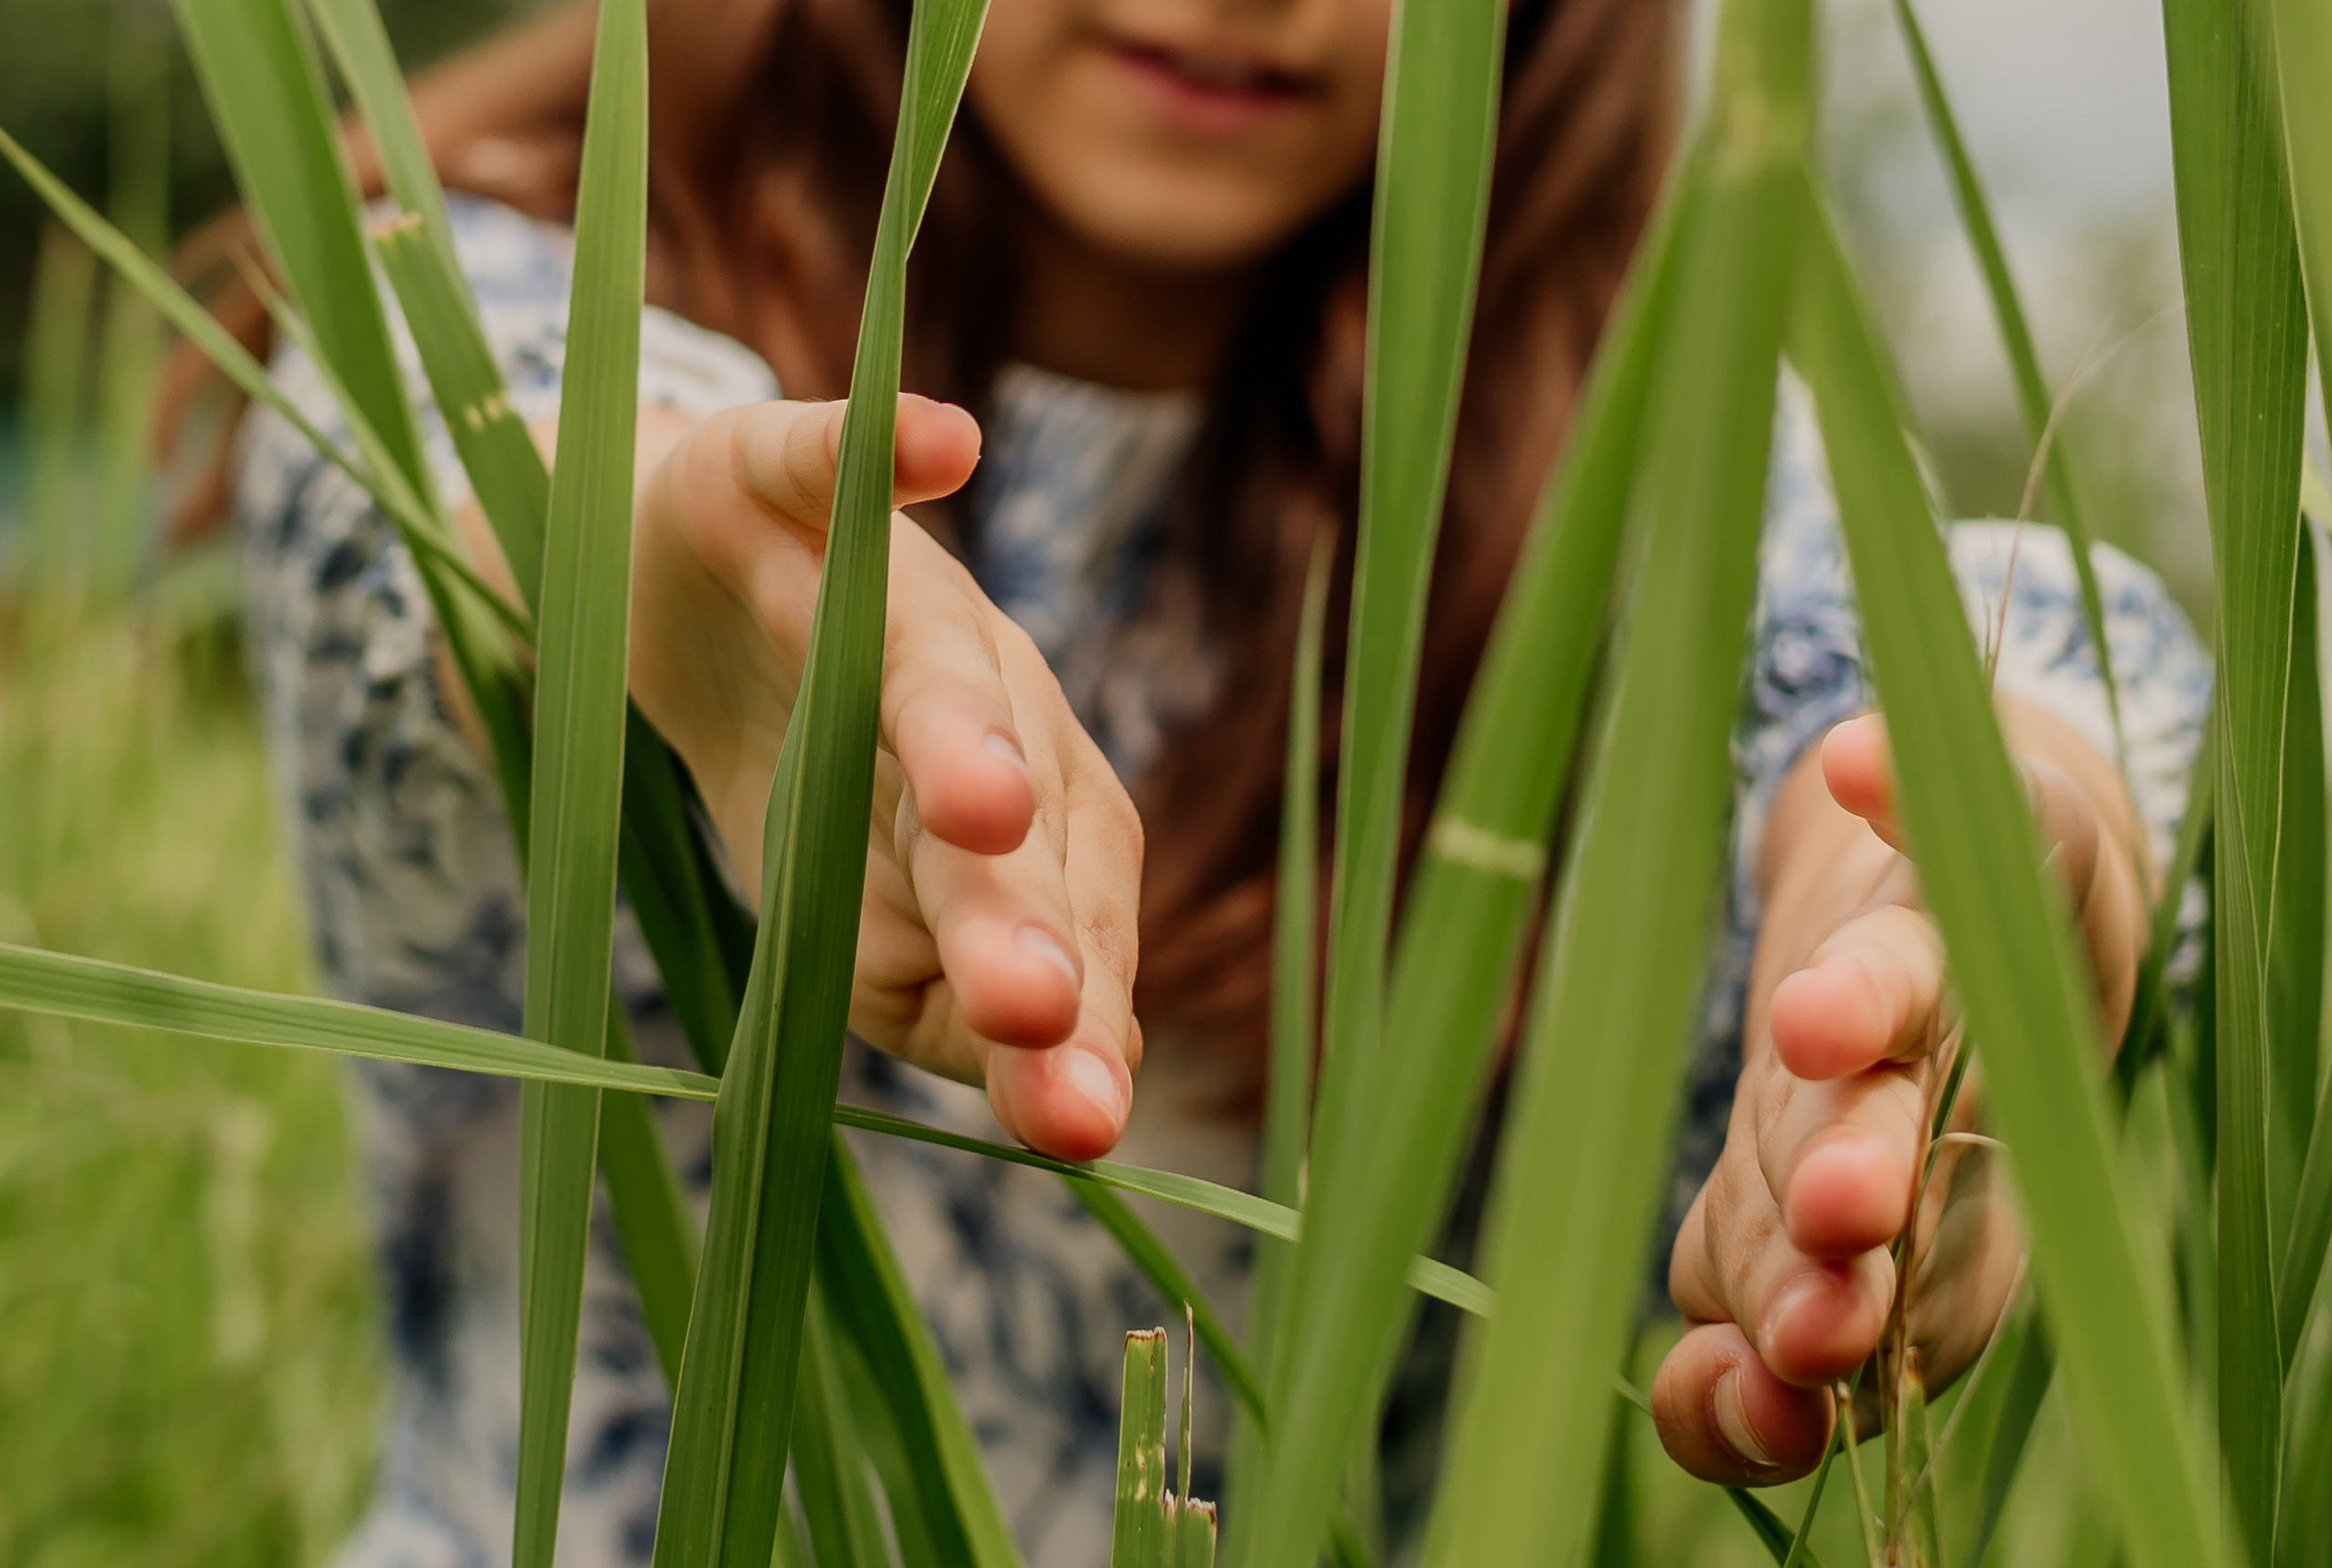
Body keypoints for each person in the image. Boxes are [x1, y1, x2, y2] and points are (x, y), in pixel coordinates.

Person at [191, 0, 2210, 1561]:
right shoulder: (519, 286)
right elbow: (484, 450)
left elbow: (1887, 647)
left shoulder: (1606, 460)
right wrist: (662, 574)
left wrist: (1985, 879)